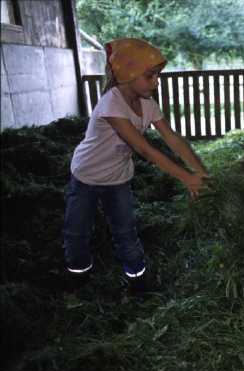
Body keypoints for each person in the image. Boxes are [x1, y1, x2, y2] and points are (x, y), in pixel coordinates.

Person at [63, 38, 209, 294]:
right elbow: (143, 148)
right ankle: (79, 277)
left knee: (126, 233)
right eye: (150, 76)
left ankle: (138, 280)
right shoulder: (111, 102)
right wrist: (186, 178)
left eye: (157, 76)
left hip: (118, 179)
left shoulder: (148, 104)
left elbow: (173, 139)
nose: (156, 82)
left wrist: (202, 172)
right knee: (77, 232)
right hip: (86, 176)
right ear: (128, 75)